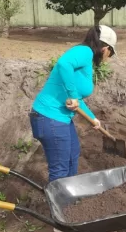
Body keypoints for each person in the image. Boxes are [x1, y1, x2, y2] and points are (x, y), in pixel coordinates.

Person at [29, 25, 117, 183]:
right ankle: (58, 205)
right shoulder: (85, 51)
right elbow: (64, 64)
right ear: (105, 48)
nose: (108, 58)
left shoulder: (86, 60)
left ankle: (70, 200)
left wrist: (92, 118)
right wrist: (72, 95)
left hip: (60, 119)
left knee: (72, 156)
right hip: (49, 117)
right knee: (60, 171)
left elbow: (76, 99)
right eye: (111, 53)